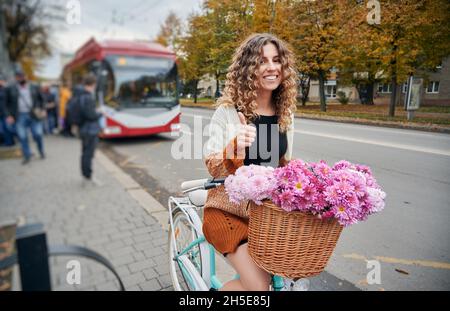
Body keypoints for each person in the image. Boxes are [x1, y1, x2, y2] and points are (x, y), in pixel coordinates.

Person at [202, 33, 298, 291]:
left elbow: (283, 167)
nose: (271, 67)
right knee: (258, 286)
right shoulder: (228, 111)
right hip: (229, 212)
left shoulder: (285, 115)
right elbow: (212, 164)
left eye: (276, 60)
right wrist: (235, 145)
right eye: (261, 61)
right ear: (248, 69)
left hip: (266, 214)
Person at [5, 70, 45, 164]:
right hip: (19, 116)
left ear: (26, 77)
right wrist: (9, 115)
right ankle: (27, 156)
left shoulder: (34, 87)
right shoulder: (10, 88)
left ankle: (41, 151)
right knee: (22, 137)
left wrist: (42, 109)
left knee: (38, 134)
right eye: (19, 77)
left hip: (34, 115)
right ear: (16, 78)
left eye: (23, 76)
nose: (21, 78)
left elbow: (42, 99)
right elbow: (6, 104)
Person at [79, 73, 103, 186]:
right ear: (93, 84)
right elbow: (91, 115)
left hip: (84, 129)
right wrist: (100, 113)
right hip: (90, 130)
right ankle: (88, 177)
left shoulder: (80, 95)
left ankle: (85, 175)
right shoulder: (88, 97)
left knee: (85, 153)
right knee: (88, 154)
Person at [0, 73, 15, 146]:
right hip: (1, 112)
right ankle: (7, 142)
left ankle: (10, 142)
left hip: (6, 113)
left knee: (8, 128)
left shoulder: (7, 89)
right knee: (2, 129)